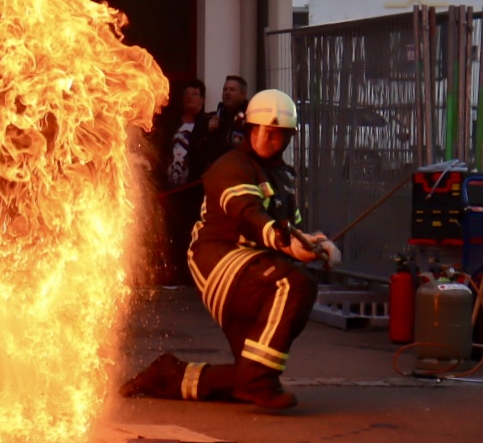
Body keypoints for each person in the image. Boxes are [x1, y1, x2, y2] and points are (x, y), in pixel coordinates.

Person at [121, 89, 330, 411]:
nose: (266, 139)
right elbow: (248, 216)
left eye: (276, 134)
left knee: (248, 370)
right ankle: (258, 380)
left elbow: (291, 227)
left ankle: (169, 377)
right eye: (259, 130)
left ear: (289, 137)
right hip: (219, 256)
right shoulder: (232, 166)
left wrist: (315, 244)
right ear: (246, 129)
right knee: (295, 283)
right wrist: (286, 243)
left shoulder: (283, 178)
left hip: (255, 262)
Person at [157, 80, 213, 282]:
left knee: (191, 233)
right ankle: (173, 273)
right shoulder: (172, 124)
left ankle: (190, 276)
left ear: (202, 99)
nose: (190, 97)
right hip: (171, 189)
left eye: (195, 94)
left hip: (192, 192)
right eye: (187, 93)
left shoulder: (206, 124)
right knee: (171, 232)